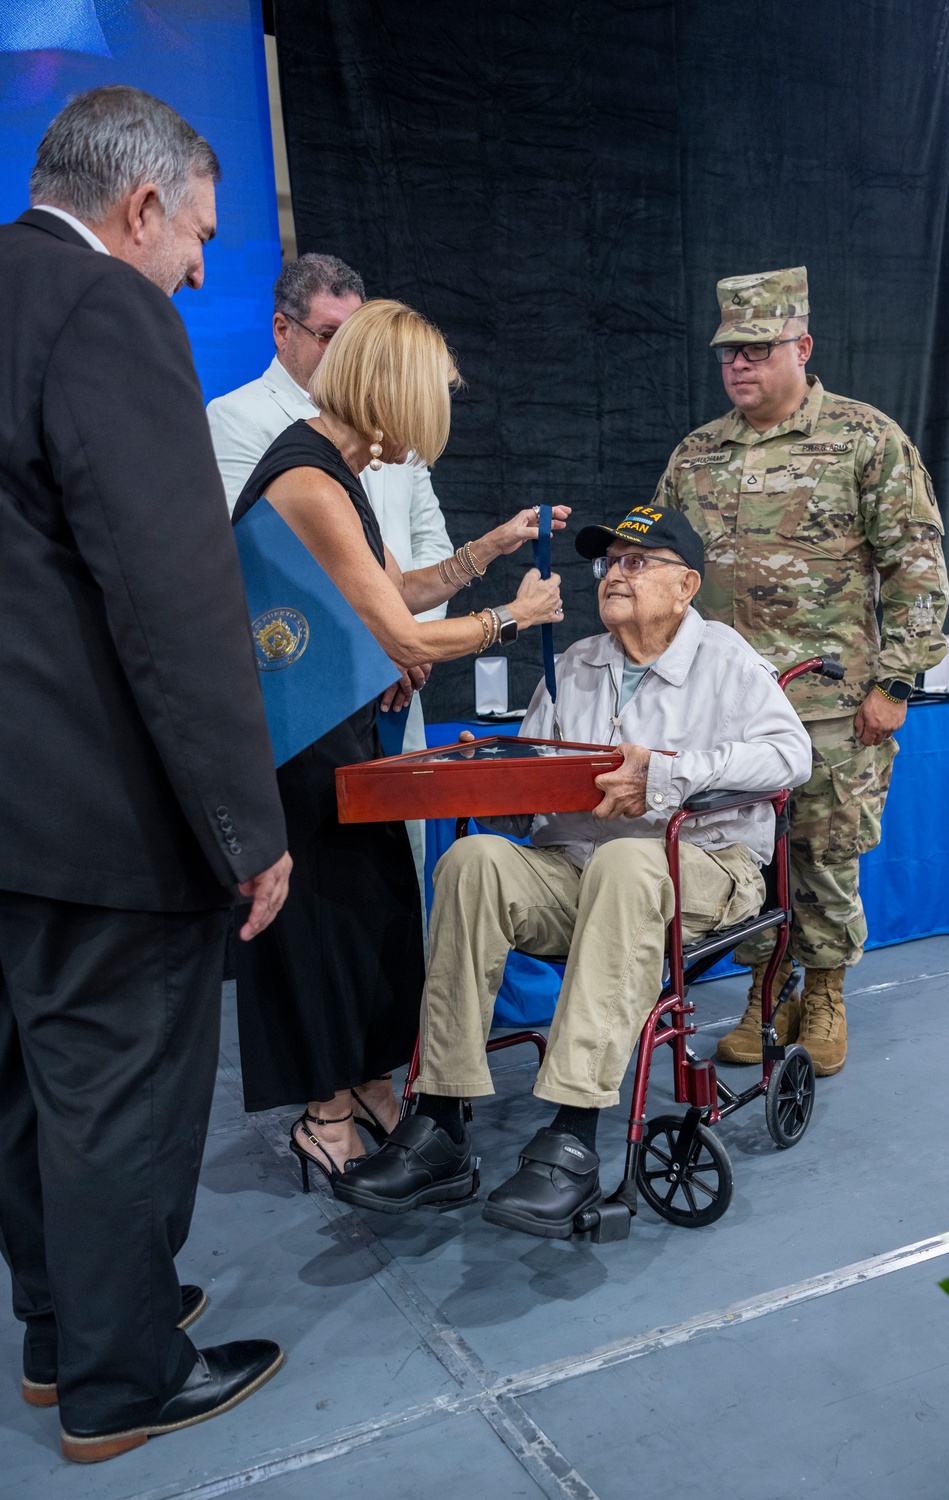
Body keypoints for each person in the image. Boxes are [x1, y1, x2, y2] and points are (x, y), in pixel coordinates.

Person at [0, 86, 293, 1464]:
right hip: (99, 811)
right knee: (120, 1089)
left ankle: (64, 1336)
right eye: (200, 238)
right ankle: (124, 1377)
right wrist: (247, 825)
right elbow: (174, 604)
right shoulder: (113, 312)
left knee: (30, 1087)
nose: (198, 267)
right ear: (140, 206)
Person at [335, 508, 812, 1239]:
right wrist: (490, 782)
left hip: (703, 868)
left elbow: (790, 758)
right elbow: (537, 795)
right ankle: (439, 1124)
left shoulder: (725, 659)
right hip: (579, 868)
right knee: (474, 860)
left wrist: (670, 774)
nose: (614, 574)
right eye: (609, 563)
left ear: (685, 585)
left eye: (636, 562)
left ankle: (574, 1132)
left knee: (627, 857)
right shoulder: (575, 662)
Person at [231, 297, 567, 1187]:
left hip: (343, 734)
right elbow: (404, 637)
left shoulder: (338, 473)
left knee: (377, 913)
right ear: (398, 390)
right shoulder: (304, 475)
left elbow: (399, 590)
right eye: (436, 393)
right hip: (296, 744)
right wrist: (512, 616)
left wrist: (488, 548)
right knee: (325, 930)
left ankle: (373, 1082)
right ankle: (325, 1115)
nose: (441, 413)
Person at [653, 267, 949, 1077]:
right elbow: (661, 569)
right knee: (742, 854)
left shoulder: (865, 439)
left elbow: (917, 570)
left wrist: (896, 686)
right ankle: (764, 990)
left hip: (831, 706)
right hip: (723, 713)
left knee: (822, 852)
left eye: (757, 349)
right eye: (728, 354)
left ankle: (823, 993)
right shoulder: (697, 454)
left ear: (802, 347)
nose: (739, 366)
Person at [207, 253, 454, 898]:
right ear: (281, 330)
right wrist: (399, 637)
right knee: (332, 893)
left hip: (398, 680)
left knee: (394, 878)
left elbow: (424, 540)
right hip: (316, 688)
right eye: (327, 335)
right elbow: (268, 571)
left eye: (352, 336)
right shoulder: (241, 424)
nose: (341, 352)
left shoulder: (378, 428)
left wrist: (411, 642)